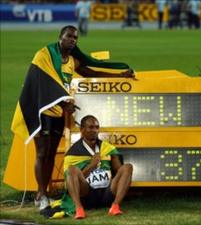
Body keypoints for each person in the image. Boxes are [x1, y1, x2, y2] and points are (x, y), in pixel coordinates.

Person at [10, 25, 135, 211]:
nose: (72, 40)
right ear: (60, 36)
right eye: (69, 36)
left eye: (75, 38)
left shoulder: (71, 61)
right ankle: (41, 194)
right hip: (42, 110)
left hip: (59, 114)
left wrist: (119, 76)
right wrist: (62, 103)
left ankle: (46, 192)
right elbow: (39, 82)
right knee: (42, 153)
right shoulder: (44, 55)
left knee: (51, 153)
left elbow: (90, 72)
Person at [62, 115, 133, 219]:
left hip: (108, 192)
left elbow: (119, 171)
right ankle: (79, 209)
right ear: (82, 129)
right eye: (90, 127)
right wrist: (92, 166)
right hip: (87, 194)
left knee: (128, 167)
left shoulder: (106, 148)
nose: (94, 130)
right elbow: (70, 182)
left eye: (96, 127)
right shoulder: (73, 153)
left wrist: (111, 159)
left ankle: (115, 206)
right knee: (71, 170)